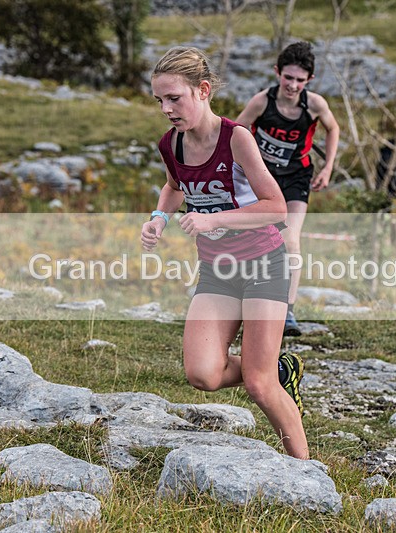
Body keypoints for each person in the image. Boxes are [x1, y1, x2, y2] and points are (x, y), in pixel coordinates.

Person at [141, 47, 308, 459]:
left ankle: (306, 471)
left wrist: (214, 220)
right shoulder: (171, 144)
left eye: (174, 98)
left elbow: (276, 208)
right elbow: (175, 187)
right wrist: (159, 218)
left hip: (263, 266)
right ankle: (278, 367)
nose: (166, 108)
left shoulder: (237, 138)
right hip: (217, 271)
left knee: (258, 384)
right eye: (159, 100)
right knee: (202, 374)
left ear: (202, 90)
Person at [236, 41, 340, 337]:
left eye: (299, 80)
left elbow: (333, 128)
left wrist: (328, 166)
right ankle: (249, 306)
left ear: (309, 80)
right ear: (277, 73)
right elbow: (237, 132)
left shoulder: (315, 104)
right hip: (262, 179)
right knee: (254, 240)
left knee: (290, 240)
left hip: (296, 178)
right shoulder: (261, 102)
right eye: (288, 77)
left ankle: (287, 311)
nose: (293, 85)